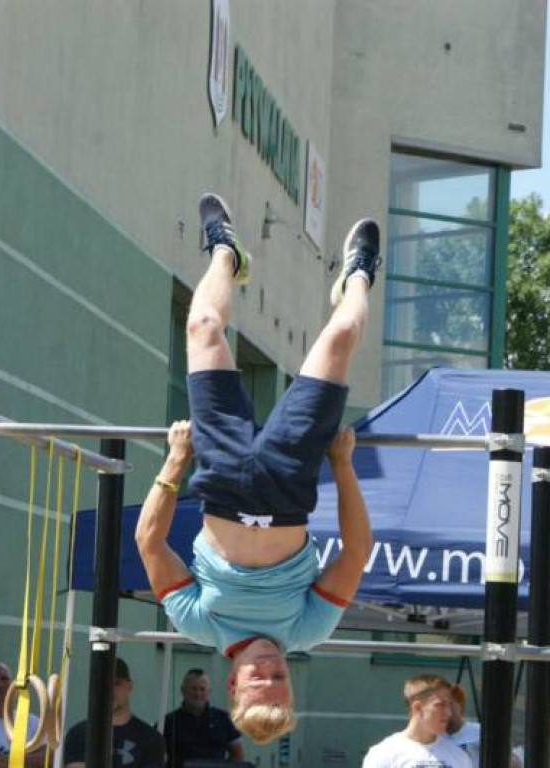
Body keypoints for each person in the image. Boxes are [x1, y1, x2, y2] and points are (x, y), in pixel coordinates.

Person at [134, 194, 378, 744]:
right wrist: (341, 467)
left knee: (200, 326)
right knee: (339, 339)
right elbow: (358, 552)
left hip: (219, 479)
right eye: (280, 677)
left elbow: (149, 543)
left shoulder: (200, 624)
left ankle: (226, 252)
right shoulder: (307, 629)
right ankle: (358, 277)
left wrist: (175, 463)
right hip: (288, 485)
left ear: (233, 684)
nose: (270, 665)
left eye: (259, 678)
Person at [62, 658, 164, 768]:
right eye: (103, 683)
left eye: (116, 683)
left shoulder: (150, 737)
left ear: (130, 686)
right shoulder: (79, 734)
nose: (110, 690)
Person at [362, 674, 473, 768]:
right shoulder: (384, 754)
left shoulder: (459, 756)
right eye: (440, 705)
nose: (448, 713)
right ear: (417, 708)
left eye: (449, 705)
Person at [163, 668, 244, 768]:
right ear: (183, 690)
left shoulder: (224, 719)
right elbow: (155, 756)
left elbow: (237, 755)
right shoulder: (168, 722)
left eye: (202, 689)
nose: (198, 694)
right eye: (193, 689)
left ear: (208, 692)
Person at [445, 684, 480, 764]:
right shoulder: (433, 735)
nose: (446, 711)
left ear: (461, 706)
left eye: (450, 705)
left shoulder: (478, 732)